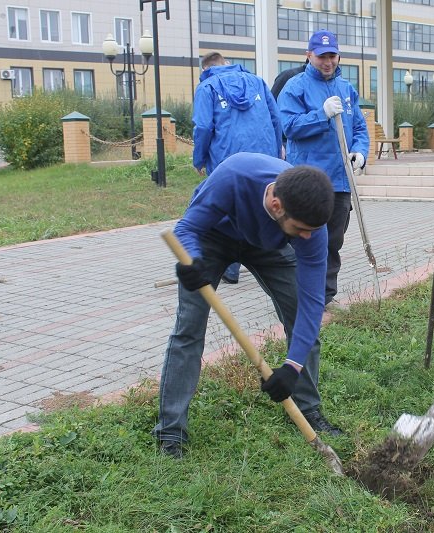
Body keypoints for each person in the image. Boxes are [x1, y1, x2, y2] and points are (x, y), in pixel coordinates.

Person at [153, 152, 343, 459]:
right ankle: (171, 430)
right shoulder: (234, 176)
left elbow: (311, 303)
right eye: (302, 229)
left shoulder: (311, 227)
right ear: (276, 205)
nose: (308, 236)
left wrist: (292, 367)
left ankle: (307, 411)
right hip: (213, 237)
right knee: (189, 327)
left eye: (312, 230)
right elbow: (187, 228)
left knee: (300, 317)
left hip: (270, 245)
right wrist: (193, 261)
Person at [278, 30, 370, 310]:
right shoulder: (295, 87)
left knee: (333, 241)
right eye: (321, 56)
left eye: (332, 56)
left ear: (338, 55)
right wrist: (322, 114)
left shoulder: (346, 88)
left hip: (340, 181)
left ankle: (325, 297)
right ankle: (296, 296)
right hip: (308, 181)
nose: (327, 62)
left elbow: (359, 127)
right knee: (303, 239)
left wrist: (360, 152)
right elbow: (289, 127)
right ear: (309, 56)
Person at [191, 51, 283, 285]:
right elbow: (275, 119)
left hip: (227, 158)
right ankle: (271, 260)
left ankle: (230, 266)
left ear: (205, 69)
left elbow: (202, 127)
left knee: (227, 206)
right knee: (264, 202)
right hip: (264, 157)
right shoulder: (257, 82)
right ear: (227, 64)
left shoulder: (207, 88)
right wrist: (276, 152)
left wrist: (199, 158)